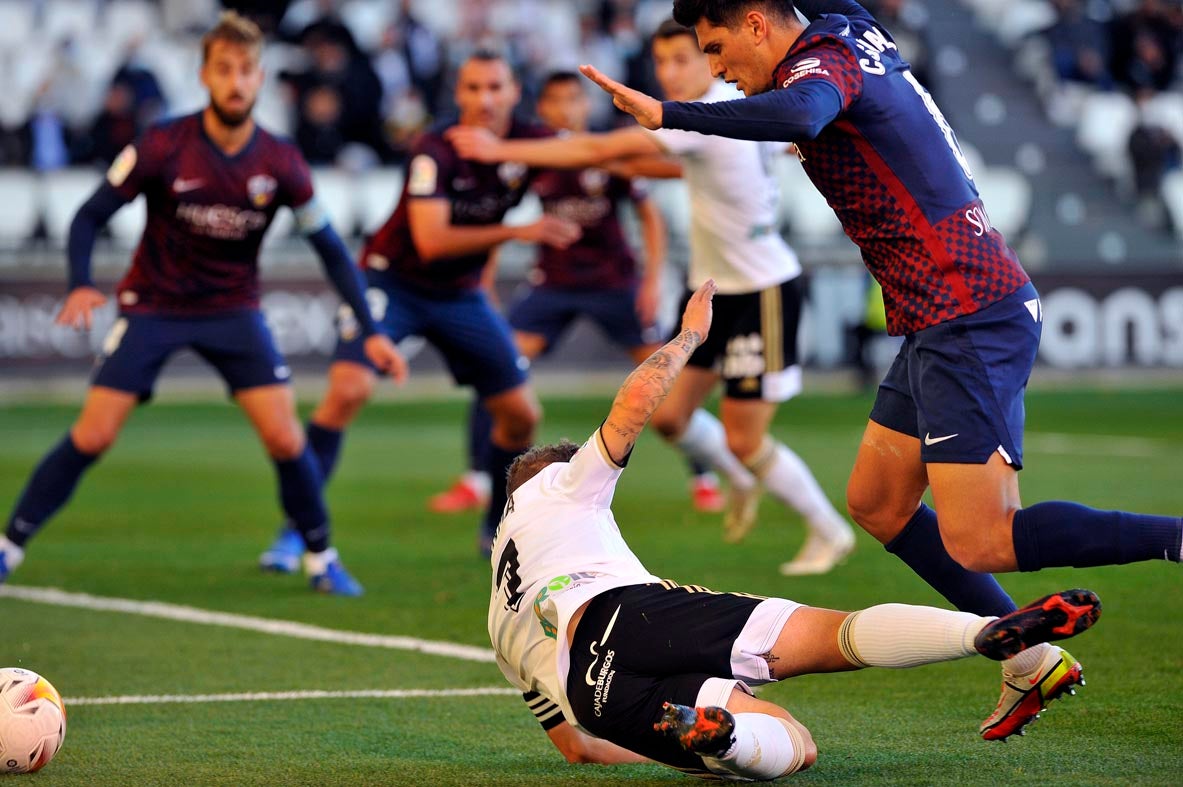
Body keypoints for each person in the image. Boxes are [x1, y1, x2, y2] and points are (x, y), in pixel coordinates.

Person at [577, 0, 1183, 740]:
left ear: (759, 25)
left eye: (716, 48)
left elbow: (801, 114)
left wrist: (675, 112)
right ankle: (1028, 660)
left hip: (968, 309)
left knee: (981, 537)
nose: (716, 72)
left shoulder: (819, 66)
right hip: (937, 314)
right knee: (876, 501)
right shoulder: (847, 26)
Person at [489, 278, 1102, 780]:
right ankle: (984, 634)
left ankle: (726, 740)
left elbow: (578, 748)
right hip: (621, 613)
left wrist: (683, 756)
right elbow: (630, 409)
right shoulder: (560, 483)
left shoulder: (498, 610)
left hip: (593, 699)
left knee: (794, 746)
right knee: (835, 636)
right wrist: (689, 338)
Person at [0, 12, 406, 596]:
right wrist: (81, 282)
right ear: (205, 76)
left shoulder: (281, 161)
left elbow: (332, 251)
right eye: (224, 70)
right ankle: (9, 547)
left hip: (234, 311)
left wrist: (369, 329)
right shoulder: (163, 144)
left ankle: (321, 557)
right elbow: (89, 216)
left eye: (246, 70)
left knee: (286, 439)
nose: (236, 82)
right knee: (93, 435)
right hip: (153, 306)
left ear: (261, 77)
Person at [448, 20, 856, 576]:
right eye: (661, 64)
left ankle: (828, 531)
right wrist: (599, 158)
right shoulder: (717, 114)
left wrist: (503, 150)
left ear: (709, 58)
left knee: (744, 437)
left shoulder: (704, 113)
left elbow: (606, 145)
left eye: (684, 59)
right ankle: (739, 480)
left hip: (762, 290)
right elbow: (648, 162)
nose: (669, 74)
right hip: (713, 289)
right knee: (669, 416)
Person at [258, 50, 583, 568]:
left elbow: (603, 156)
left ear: (515, 92)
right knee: (348, 390)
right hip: (395, 280)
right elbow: (431, 241)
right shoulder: (435, 149)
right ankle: (299, 528)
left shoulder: (530, 141)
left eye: (495, 87)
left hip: (460, 294)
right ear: (458, 95)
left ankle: (496, 528)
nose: (485, 99)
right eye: (473, 88)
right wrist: (518, 231)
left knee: (521, 415)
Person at [428, 70, 725, 517]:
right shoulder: (536, 160)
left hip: (614, 282)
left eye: (575, 100)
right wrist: (483, 281)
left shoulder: (605, 156)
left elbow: (651, 217)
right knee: (499, 368)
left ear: (586, 106)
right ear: (543, 109)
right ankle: (476, 479)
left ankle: (704, 477)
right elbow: (498, 216)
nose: (567, 109)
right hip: (555, 282)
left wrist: (650, 280)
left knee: (668, 379)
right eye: (557, 101)